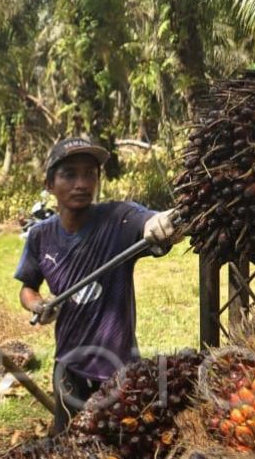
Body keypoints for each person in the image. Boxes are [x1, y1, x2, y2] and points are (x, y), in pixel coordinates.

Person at [15, 136, 179, 434]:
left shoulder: (118, 220)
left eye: (90, 173)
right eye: (69, 174)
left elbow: (148, 222)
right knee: (69, 446)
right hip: (69, 369)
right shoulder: (40, 236)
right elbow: (27, 286)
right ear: (49, 184)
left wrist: (161, 223)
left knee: (123, 447)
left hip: (120, 371)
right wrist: (38, 304)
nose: (82, 183)